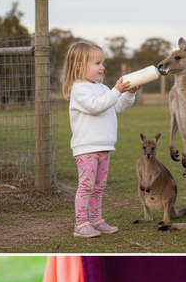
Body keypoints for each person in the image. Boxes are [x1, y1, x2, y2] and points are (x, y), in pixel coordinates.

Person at [61, 41, 142, 238]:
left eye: (102, 63)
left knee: (98, 187)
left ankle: (96, 221)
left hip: (103, 147)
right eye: (97, 63)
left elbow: (117, 107)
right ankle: (81, 224)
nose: (102, 67)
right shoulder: (79, 89)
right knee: (86, 186)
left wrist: (128, 94)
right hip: (87, 148)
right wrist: (116, 91)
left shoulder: (103, 88)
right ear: (80, 65)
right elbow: (96, 106)